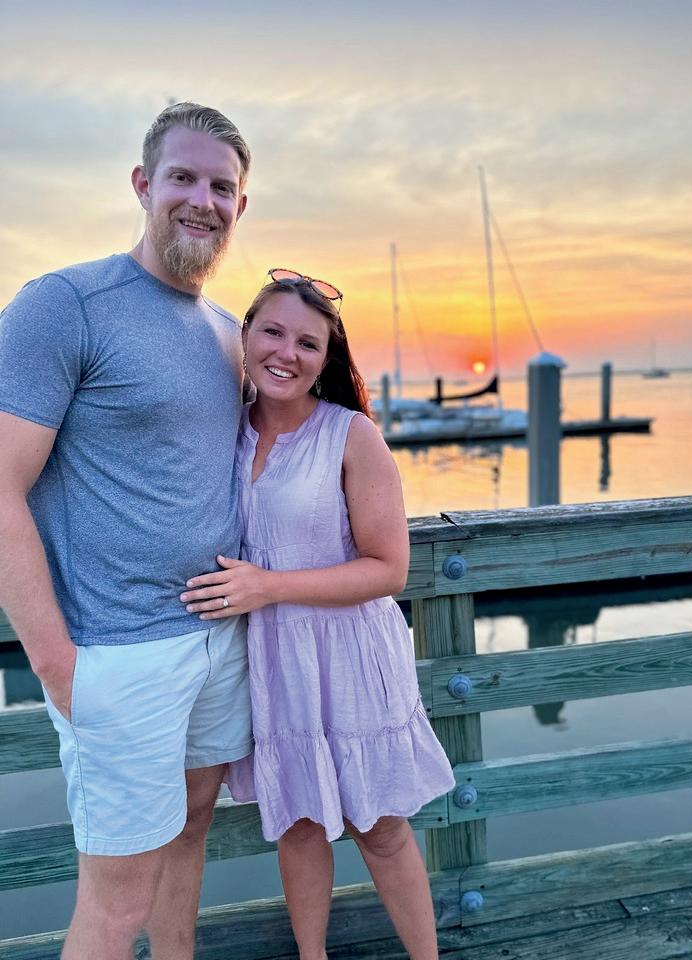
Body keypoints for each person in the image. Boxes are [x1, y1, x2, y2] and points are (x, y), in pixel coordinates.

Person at [0, 102, 251, 959]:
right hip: (115, 654)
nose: (202, 201)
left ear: (240, 205)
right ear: (144, 184)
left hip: (219, 640)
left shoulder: (229, 336)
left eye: (221, 186)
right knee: (116, 899)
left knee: (192, 829)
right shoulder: (64, 305)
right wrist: (56, 664)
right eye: (183, 177)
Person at [180, 269, 456, 960]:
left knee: (380, 825)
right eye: (272, 332)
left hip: (349, 652)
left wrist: (269, 586)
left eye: (308, 343)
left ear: (326, 358)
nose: (287, 352)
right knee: (299, 822)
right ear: (244, 336)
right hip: (271, 656)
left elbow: (388, 569)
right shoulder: (220, 431)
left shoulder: (351, 435)